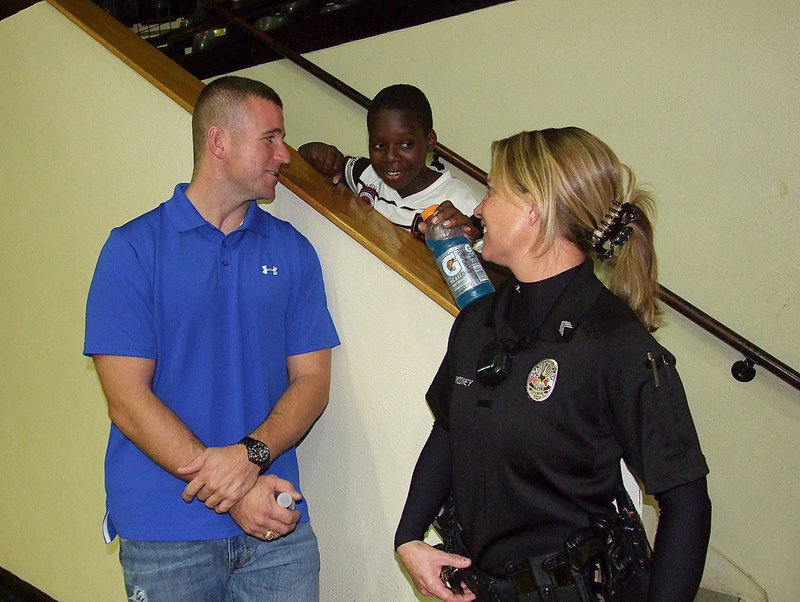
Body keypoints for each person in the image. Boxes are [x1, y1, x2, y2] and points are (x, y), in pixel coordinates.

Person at [395, 127, 712, 601]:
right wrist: (409, 538)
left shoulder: (614, 342)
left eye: (493, 191)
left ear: (533, 210)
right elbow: (448, 431)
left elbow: (686, 503)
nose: (479, 208)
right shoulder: (479, 322)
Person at [83, 75, 340, 601]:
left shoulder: (293, 251)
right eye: (270, 138)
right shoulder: (132, 250)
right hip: (165, 528)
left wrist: (249, 458)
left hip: (275, 525)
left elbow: (313, 381)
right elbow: (128, 402)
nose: (285, 154)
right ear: (219, 142)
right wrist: (236, 489)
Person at [298, 83, 480, 240]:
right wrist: (317, 152)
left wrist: (469, 242)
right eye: (379, 145)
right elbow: (308, 158)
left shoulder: (462, 202)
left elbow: (497, 273)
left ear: (430, 141)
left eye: (406, 144)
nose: (390, 157)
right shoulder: (364, 174)